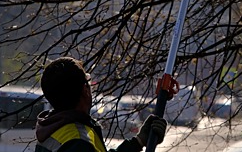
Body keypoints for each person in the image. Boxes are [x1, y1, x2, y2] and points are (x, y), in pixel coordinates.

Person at [35, 57, 168, 152]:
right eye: (88, 81)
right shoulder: (78, 141)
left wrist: (138, 142)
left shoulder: (53, 127)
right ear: (85, 90)